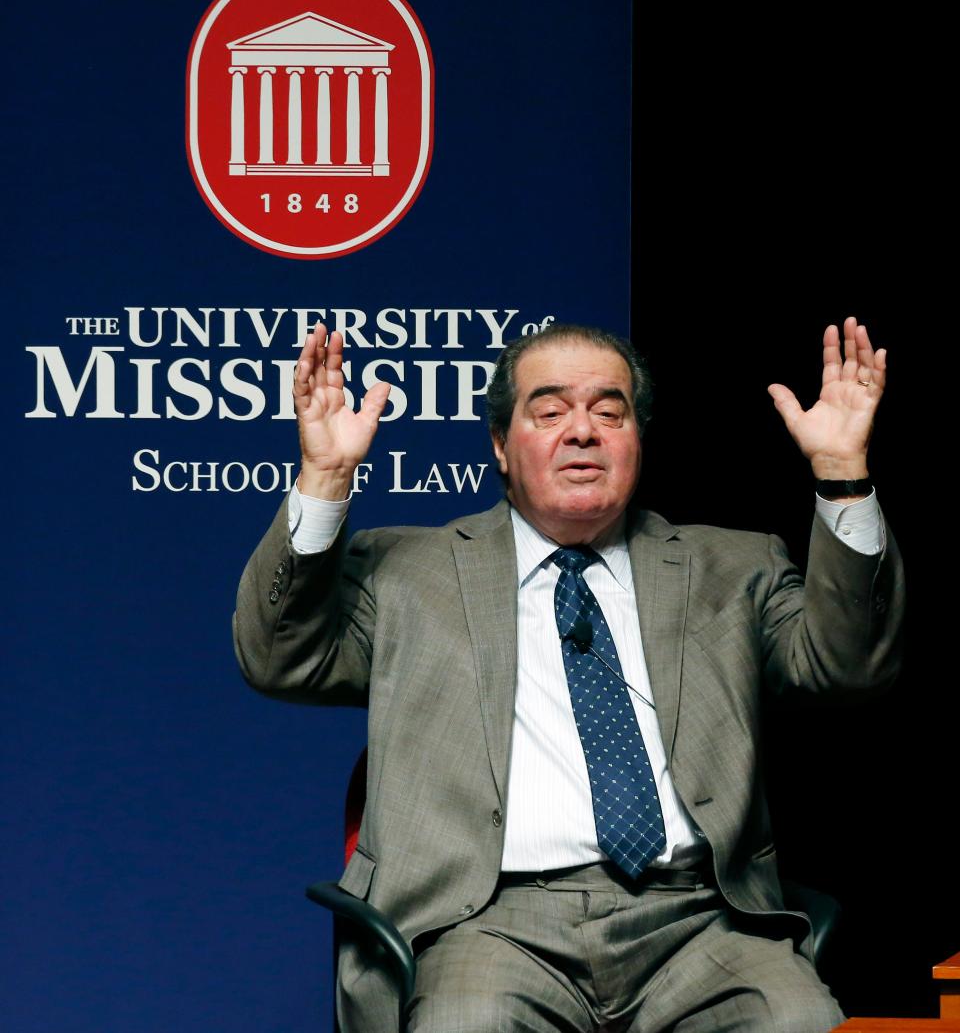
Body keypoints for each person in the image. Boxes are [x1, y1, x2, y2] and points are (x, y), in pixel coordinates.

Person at [234, 318, 903, 1033]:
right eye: (549, 411)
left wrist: (842, 475)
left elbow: (847, 668)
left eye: (608, 412)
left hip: (699, 921)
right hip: (488, 923)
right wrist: (327, 477)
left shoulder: (732, 567)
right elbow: (280, 658)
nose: (582, 431)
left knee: (798, 1019)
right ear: (501, 444)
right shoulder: (406, 571)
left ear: (636, 442)